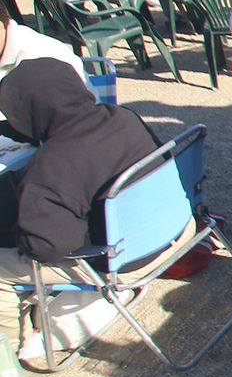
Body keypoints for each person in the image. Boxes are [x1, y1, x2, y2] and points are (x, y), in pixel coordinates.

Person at [0, 61, 155, 305]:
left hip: (124, 261)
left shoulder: (52, 162)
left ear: (29, 111)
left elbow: (44, 248)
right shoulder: (123, 118)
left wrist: (15, 229)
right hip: (167, 232)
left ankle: (20, 340)